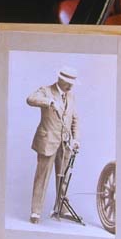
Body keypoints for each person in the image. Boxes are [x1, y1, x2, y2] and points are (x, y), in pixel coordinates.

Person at [27, 65, 80, 224]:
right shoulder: (46, 91)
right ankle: (35, 212)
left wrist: (76, 139)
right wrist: (49, 102)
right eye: (68, 82)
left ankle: (61, 208)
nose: (70, 86)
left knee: (63, 177)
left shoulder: (71, 96)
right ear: (60, 79)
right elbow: (30, 99)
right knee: (42, 177)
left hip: (65, 144)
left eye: (72, 83)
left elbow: (75, 119)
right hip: (47, 142)